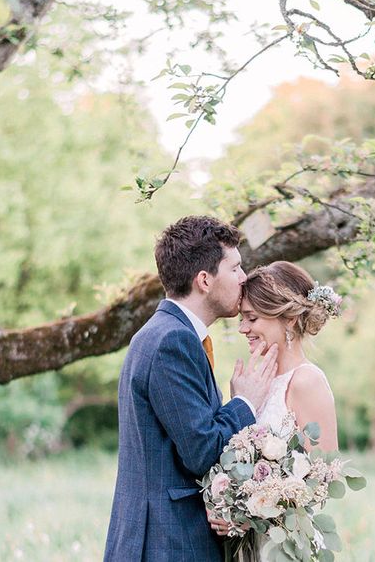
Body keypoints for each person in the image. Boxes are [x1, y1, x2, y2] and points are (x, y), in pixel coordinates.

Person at [104, 216, 278, 562]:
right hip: (167, 545)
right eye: (235, 268)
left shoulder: (160, 333)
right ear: (204, 280)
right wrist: (244, 402)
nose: (244, 278)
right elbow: (202, 451)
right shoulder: (173, 340)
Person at [207, 260, 340, 557]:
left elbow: (324, 478)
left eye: (252, 319)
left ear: (289, 320)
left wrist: (253, 509)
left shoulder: (307, 381)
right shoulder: (255, 383)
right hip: (244, 547)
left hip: (284, 547)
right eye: (242, 318)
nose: (243, 328)